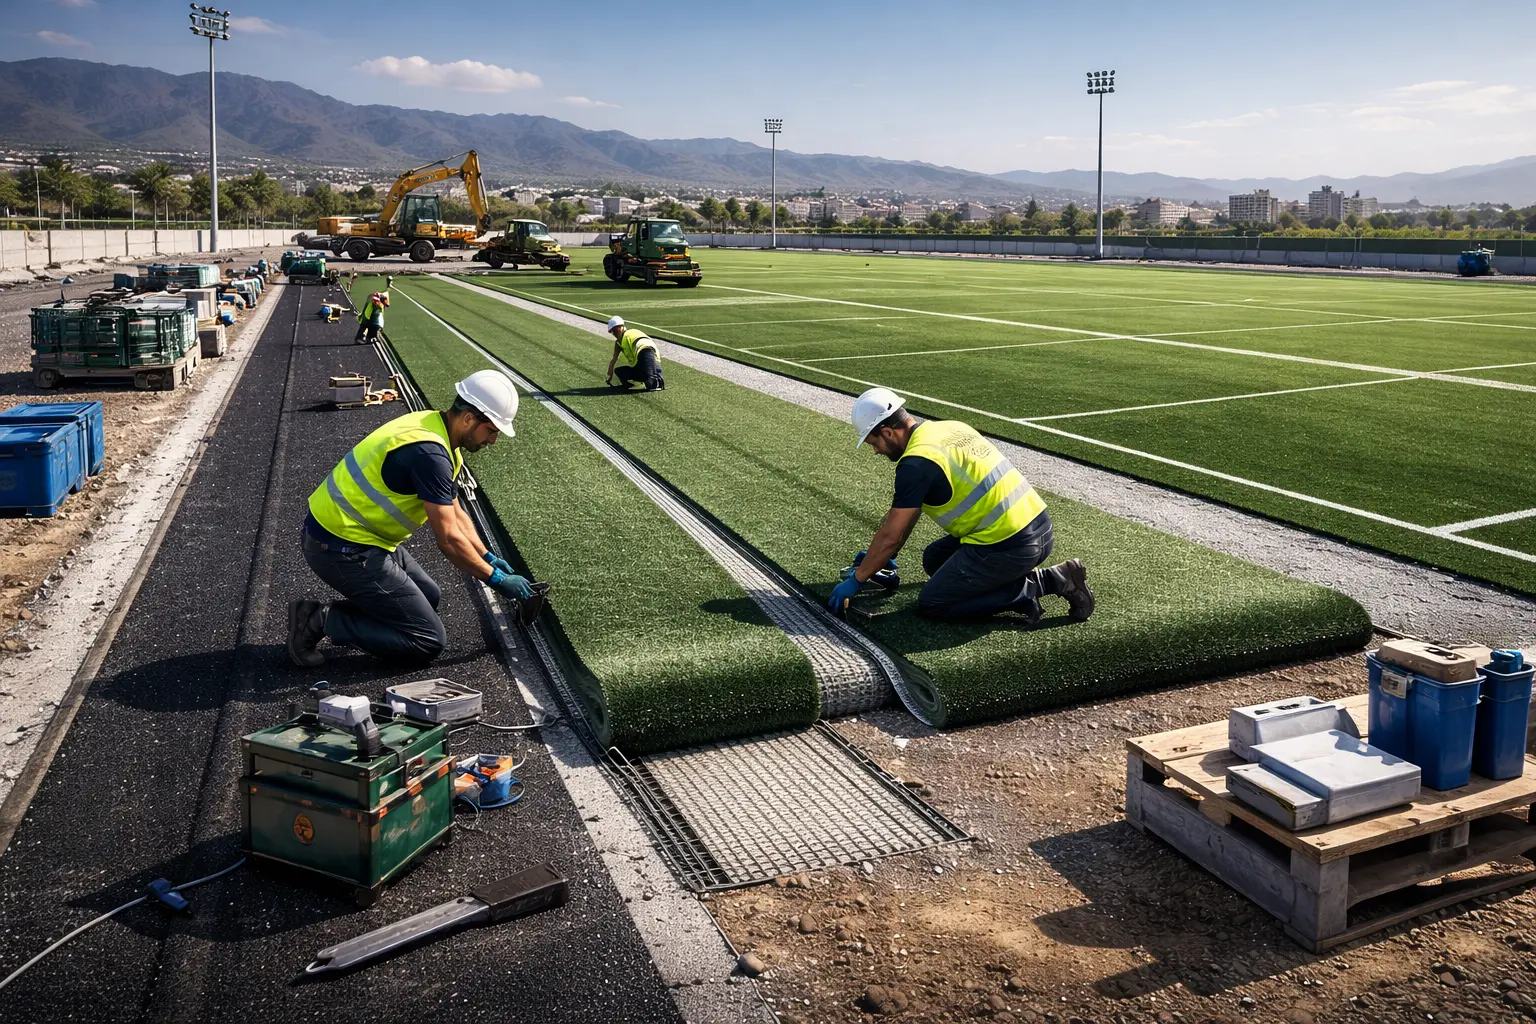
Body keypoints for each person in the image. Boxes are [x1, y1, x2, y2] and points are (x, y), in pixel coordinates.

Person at [288, 369, 533, 667]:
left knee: (428, 596)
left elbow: (455, 512)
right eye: (492, 430)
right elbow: (449, 540)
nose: (493, 440)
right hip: (339, 546)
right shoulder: (430, 456)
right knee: (427, 640)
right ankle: (318, 619)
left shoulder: (437, 432)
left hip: (362, 537)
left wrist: (487, 555)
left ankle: (352, 620)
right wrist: (495, 579)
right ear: (469, 418)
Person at [829, 387, 1094, 624]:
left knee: (935, 603)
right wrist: (881, 556)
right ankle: (1021, 578)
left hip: (1013, 545)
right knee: (934, 559)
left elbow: (892, 535)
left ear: (888, 431)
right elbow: (899, 520)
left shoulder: (915, 463)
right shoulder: (949, 428)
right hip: (1038, 527)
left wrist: (858, 579)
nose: (875, 451)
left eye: (874, 442)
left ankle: (1049, 581)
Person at [604, 315, 665, 391]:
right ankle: (644, 380)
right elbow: (614, 359)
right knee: (619, 371)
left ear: (622, 327)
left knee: (650, 382)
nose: (615, 333)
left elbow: (646, 346)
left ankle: (653, 381)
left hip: (646, 351)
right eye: (613, 332)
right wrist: (609, 375)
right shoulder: (618, 343)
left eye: (616, 330)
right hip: (643, 359)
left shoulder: (630, 333)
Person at [354, 276, 393, 344]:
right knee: (366, 321)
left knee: (371, 322)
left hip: (376, 304)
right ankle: (362, 337)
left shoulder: (382, 295)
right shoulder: (375, 297)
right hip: (373, 305)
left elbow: (386, 304)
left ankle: (368, 336)